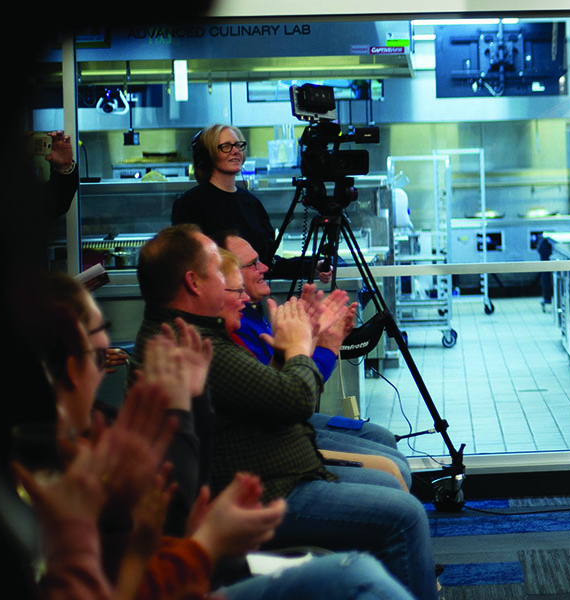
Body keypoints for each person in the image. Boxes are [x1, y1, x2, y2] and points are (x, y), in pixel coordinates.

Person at [131, 224, 438, 600]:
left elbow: (264, 400)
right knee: (404, 515)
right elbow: (293, 401)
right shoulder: (190, 342)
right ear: (194, 282)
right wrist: (308, 347)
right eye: (222, 272)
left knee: (393, 486)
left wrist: (292, 350)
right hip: (266, 490)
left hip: (278, 471)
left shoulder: (192, 333)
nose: (242, 284)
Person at [217, 231, 412, 488]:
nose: (264, 267)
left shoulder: (250, 315)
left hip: (287, 426)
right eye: (253, 264)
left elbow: (282, 383)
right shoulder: (230, 332)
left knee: (383, 438)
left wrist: (308, 341)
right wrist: (324, 346)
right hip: (281, 446)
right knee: (393, 476)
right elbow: (293, 399)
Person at [172, 123, 330, 282]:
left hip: (251, 303)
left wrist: (312, 266)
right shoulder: (190, 204)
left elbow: (268, 264)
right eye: (226, 146)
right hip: (216, 302)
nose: (235, 151)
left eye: (238, 145)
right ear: (206, 156)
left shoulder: (252, 203)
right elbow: (186, 265)